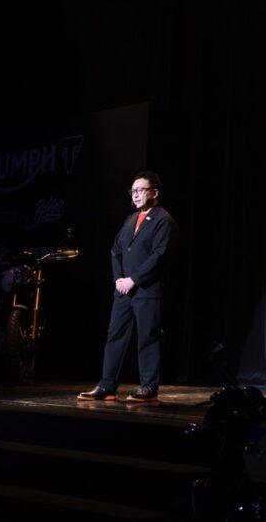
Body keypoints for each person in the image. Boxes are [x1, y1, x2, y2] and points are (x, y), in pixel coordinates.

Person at [78, 171, 177, 404]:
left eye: (140, 190)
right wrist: (119, 279)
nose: (136, 195)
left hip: (147, 289)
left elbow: (159, 256)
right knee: (115, 335)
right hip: (123, 290)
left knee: (147, 337)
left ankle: (149, 388)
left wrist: (134, 279)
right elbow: (116, 250)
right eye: (133, 191)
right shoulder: (130, 219)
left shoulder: (164, 220)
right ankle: (107, 386)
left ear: (154, 192)